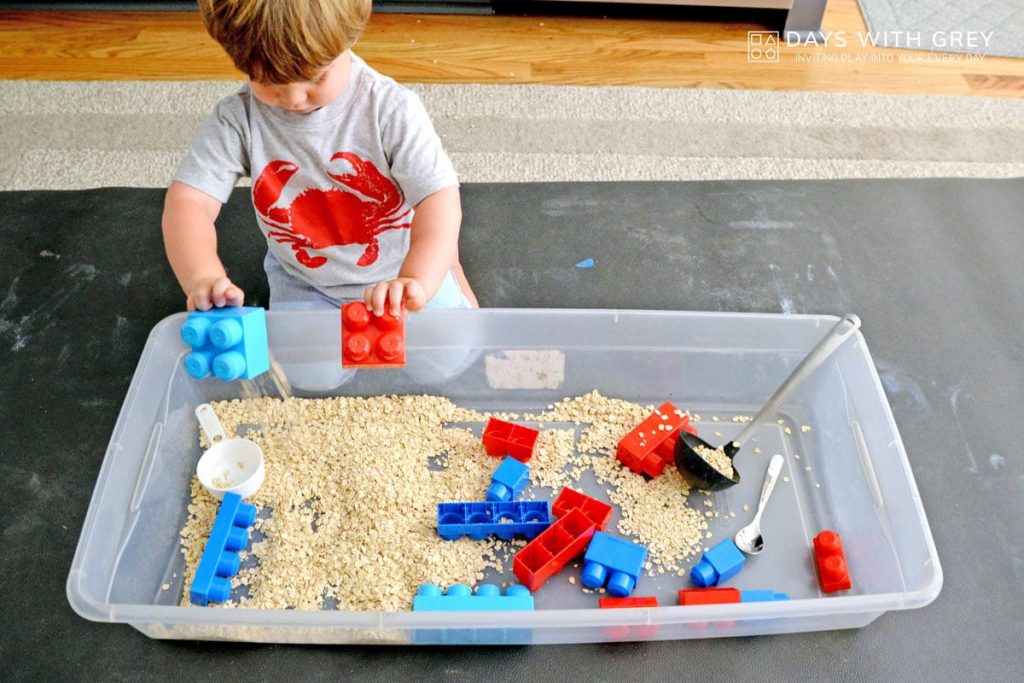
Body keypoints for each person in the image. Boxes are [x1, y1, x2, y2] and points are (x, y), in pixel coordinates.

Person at [162, 0, 478, 320]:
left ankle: (448, 264)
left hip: (402, 269)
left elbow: (438, 197)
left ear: (349, 37)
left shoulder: (391, 109)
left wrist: (416, 279)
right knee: (305, 372)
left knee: (452, 358)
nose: (293, 98)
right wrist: (201, 276)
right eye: (268, 80)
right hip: (305, 281)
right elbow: (189, 202)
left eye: (315, 77)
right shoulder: (238, 119)